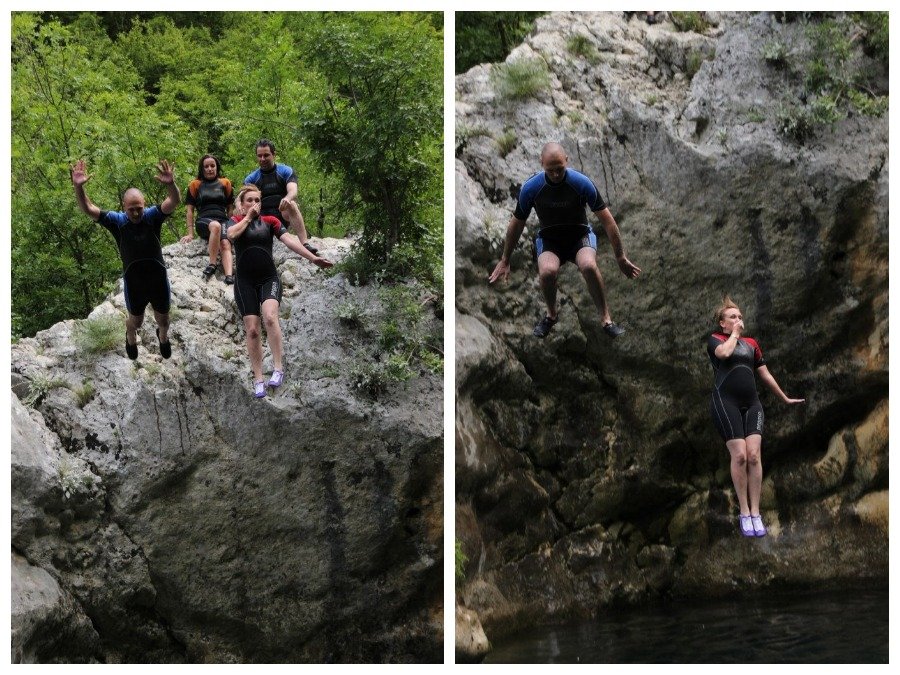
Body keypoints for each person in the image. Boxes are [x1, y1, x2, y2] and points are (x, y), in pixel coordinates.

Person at [489, 142, 641, 338]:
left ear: (567, 161)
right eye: (550, 170)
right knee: (547, 272)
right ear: (541, 163)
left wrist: (620, 257)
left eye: (560, 169)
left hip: (579, 236)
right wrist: (505, 259)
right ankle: (551, 315)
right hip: (550, 240)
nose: (555, 175)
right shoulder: (531, 188)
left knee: (588, 265)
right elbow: (516, 224)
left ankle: (606, 319)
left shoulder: (581, 183)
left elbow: (608, 222)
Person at [707, 295, 805, 537]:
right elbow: (723, 354)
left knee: (753, 455)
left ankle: (756, 512)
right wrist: (735, 335)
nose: (739, 320)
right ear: (722, 323)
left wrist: (784, 397)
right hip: (725, 402)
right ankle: (744, 512)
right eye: (733, 317)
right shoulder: (717, 339)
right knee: (739, 456)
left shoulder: (752, 343)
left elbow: (765, 375)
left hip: (752, 404)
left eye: (740, 316)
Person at [225, 184, 333, 398]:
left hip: (268, 278)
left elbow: (290, 241)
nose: (255, 204)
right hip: (245, 281)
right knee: (253, 330)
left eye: (257, 200)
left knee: (271, 317)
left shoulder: (270, 222)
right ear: (241, 204)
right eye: (250, 200)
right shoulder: (236, 222)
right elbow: (230, 235)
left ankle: (277, 367)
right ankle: (258, 378)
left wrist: (313, 258)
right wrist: (247, 218)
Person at [71, 158, 180, 360]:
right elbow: (88, 208)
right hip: (135, 282)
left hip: (157, 279)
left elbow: (173, 202)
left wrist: (171, 185)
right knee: (136, 322)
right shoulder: (117, 221)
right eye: (131, 209)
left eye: (139, 208)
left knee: (163, 321)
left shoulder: (152, 216)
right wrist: (79, 188)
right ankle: (130, 334)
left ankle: (163, 337)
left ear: (144, 205)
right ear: (124, 206)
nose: (136, 213)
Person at [243, 139, 318, 254]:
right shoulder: (252, 178)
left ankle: (305, 244)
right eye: (259, 156)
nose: (262, 159)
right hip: (261, 217)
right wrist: (238, 206)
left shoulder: (285, 171)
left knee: (292, 203)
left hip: (282, 213)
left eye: (266, 155)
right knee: (241, 208)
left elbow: (293, 191)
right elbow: (241, 198)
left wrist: (287, 198)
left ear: (274, 154)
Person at [180, 154, 234, 283]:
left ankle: (229, 276)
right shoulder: (195, 185)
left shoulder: (225, 183)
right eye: (206, 166)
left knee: (226, 243)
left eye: (212, 166)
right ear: (202, 169)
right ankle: (212, 264)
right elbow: (190, 210)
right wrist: (190, 233)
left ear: (217, 167)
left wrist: (231, 224)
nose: (210, 169)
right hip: (204, 221)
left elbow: (230, 208)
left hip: (223, 220)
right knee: (215, 226)